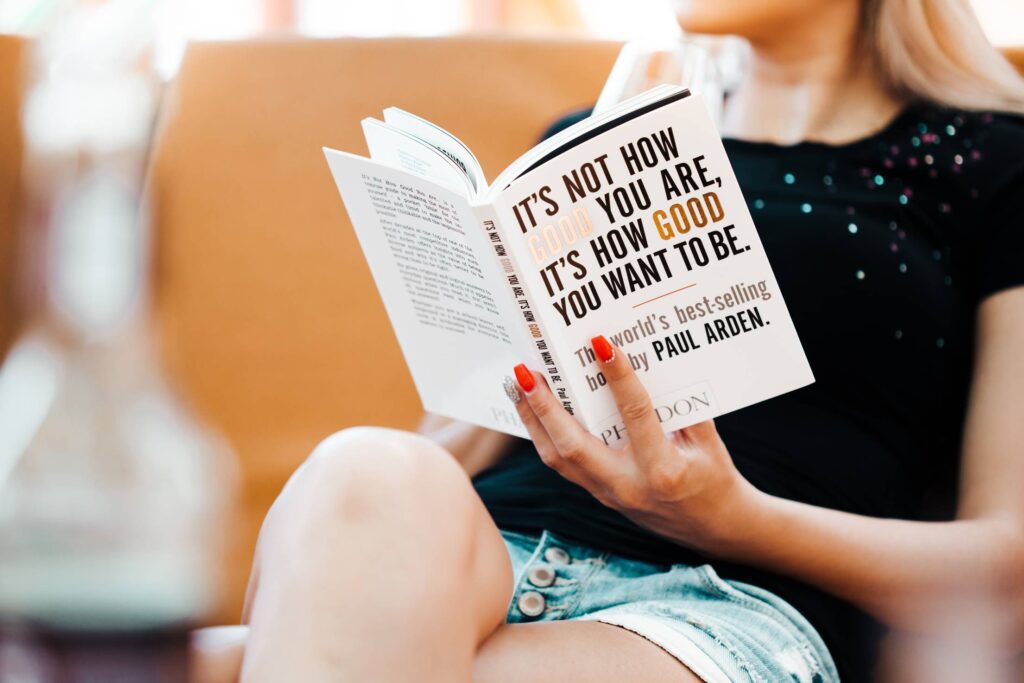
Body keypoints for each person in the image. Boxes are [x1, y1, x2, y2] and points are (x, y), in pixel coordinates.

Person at [192, 1, 1024, 681]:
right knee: (366, 466)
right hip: (482, 555)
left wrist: (733, 518)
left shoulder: (988, 164)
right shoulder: (590, 139)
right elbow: (436, 457)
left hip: (725, 607)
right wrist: (497, 372)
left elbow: (1010, 568)